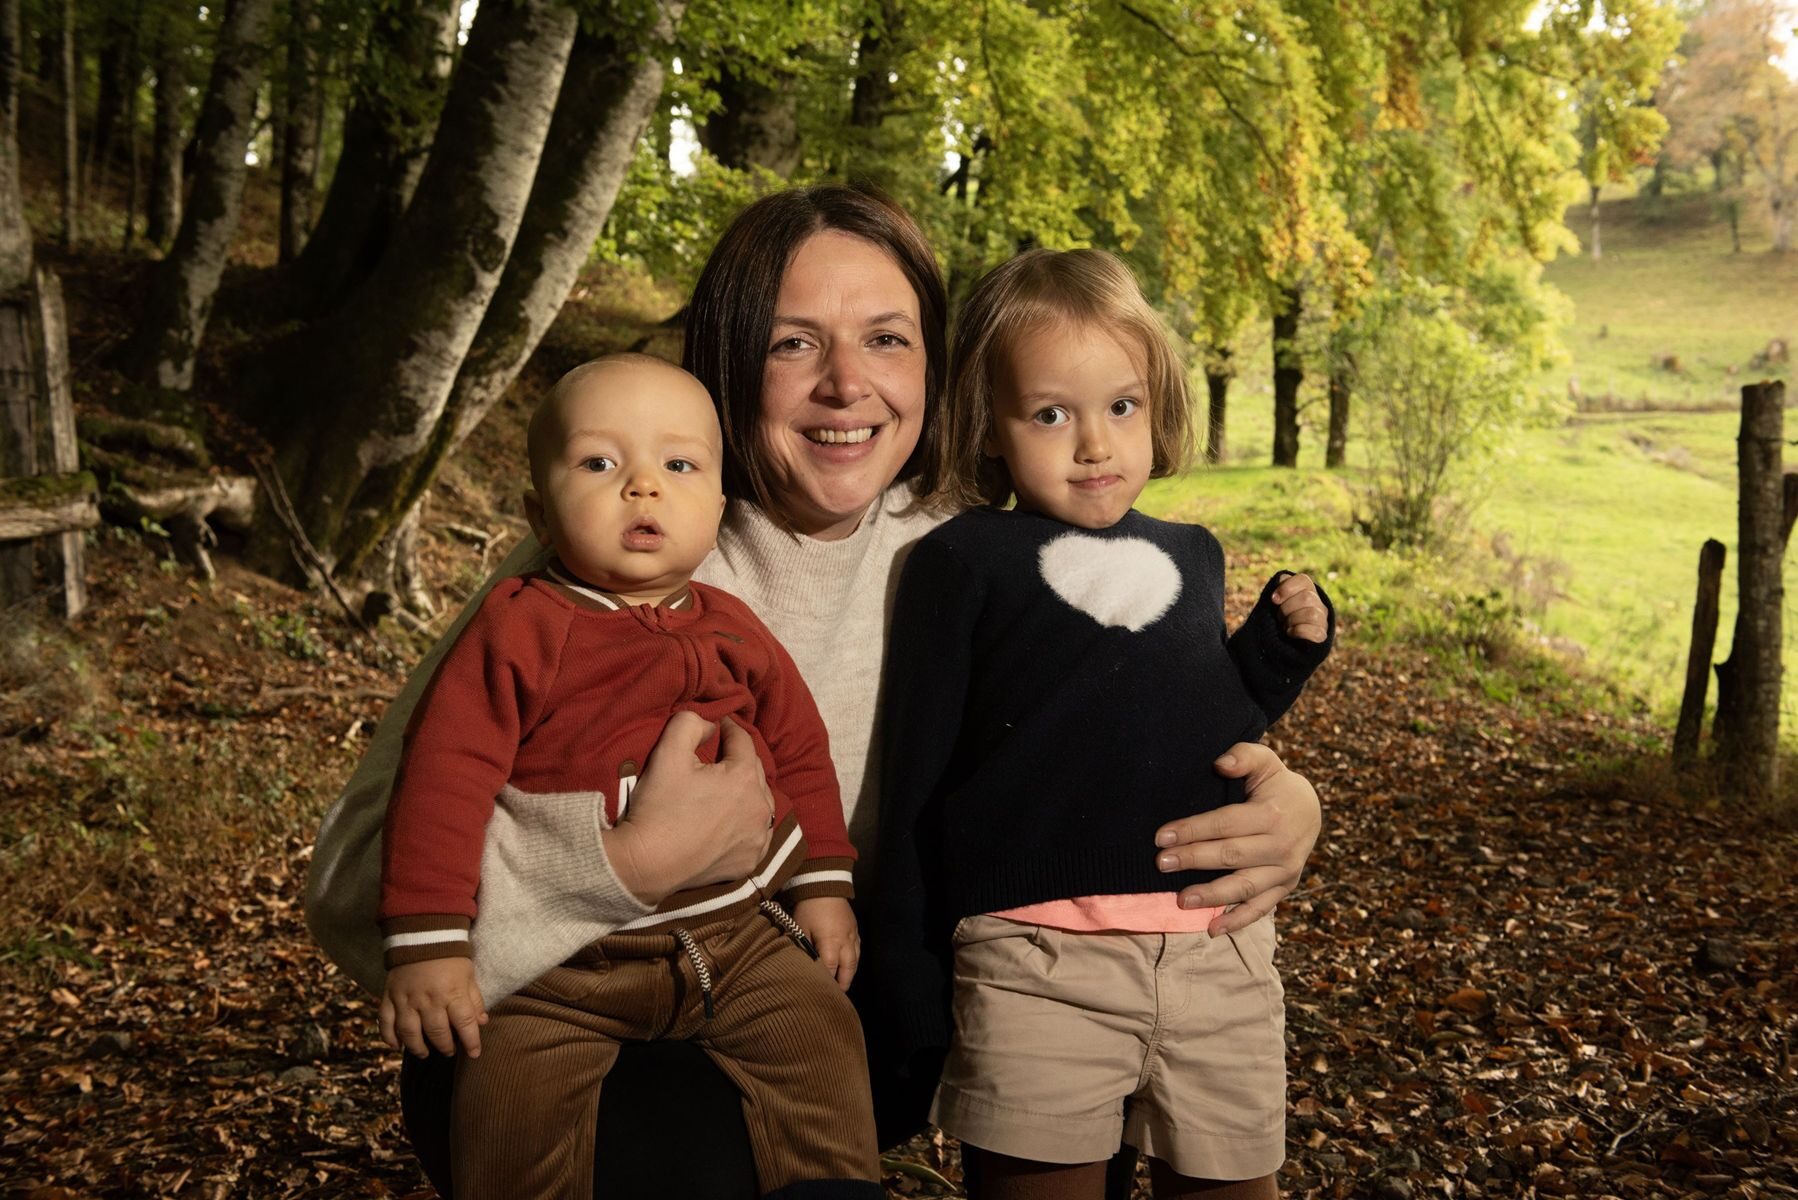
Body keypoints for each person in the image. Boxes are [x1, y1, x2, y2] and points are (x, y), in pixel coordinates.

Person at [304, 183, 1326, 1199]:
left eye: (885, 339)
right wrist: (621, 863)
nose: (846, 384)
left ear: (937, 369)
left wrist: (1283, 803)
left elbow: (1129, 710)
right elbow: (350, 887)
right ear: (727, 363)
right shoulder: (615, 559)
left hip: (815, 1009)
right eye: (793, 344)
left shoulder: (978, 556)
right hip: (573, 1035)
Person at [865, 249, 1334, 1200]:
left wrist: (1279, 654)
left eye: (1121, 406)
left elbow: (1208, 725)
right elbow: (915, 775)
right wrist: (906, 979)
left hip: (1215, 945)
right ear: (987, 425)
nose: (1094, 444)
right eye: (1050, 414)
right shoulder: (963, 561)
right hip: (1035, 958)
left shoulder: (1193, 553)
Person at [376, 354, 878, 1197]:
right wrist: (429, 942)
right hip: (563, 966)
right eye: (599, 463)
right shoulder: (520, 628)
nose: (642, 487)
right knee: (507, 1103)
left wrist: (823, 883)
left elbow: (799, 749)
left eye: (679, 465)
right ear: (539, 513)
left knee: (822, 1036)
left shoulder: (735, 629)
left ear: (718, 509)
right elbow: (443, 780)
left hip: (736, 942)